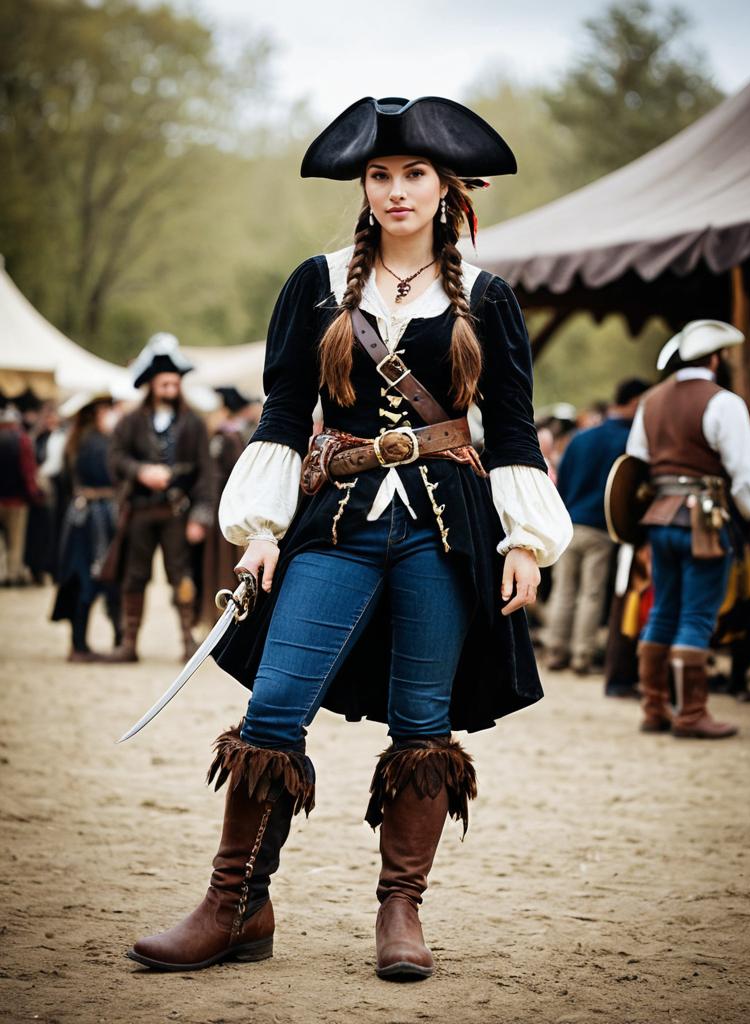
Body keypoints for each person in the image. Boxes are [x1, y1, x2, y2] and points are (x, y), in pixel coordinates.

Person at [126, 95, 572, 979]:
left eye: (415, 175)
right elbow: (286, 411)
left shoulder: (485, 294)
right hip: (334, 522)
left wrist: (525, 539)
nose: (396, 190)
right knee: (274, 707)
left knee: (424, 724)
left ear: (448, 188)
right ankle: (236, 905)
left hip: (446, 532)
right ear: (362, 186)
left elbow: (512, 428)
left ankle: (400, 912)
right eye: (380, 175)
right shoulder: (317, 282)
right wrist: (258, 531)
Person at [628, 320, 750, 738]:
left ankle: (655, 708)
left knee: (664, 610)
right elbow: (744, 471)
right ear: (716, 357)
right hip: (704, 523)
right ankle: (691, 714)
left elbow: (635, 464)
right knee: (696, 615)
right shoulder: (723, 402)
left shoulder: (649, 401)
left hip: (659, 519)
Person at [108, 334, 214, 662]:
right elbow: (115, 457)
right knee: (134, 575)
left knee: (181, 574)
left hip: (176, 511)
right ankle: (129, 644)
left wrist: (201, 515)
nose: (169, 389)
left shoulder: (194, 423)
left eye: (174, 383)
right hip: (139, 511)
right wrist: (140, 472)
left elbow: (206, 472)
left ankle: (187, 642)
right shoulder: (130, 421)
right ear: (152, 385)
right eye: (164, 384)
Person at [545, 379, 649, 674]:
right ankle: (581, 655)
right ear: (635, 401)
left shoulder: (580, 437)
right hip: (602, 528)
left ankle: (555, 650)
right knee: (591, 594)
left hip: (569, 523)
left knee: (563, 591)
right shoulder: (630, 441)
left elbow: (561, 479)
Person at [50, 393, 122, 661]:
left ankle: (82, 643)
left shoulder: (78, 440)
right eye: (108, 410)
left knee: (88, 578)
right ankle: (81, 645)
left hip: (85, 516)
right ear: (98, 413)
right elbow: (110, 476)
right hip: (93, 520)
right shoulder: (96, 442)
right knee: (89, 578)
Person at [199, 386, 253, 627]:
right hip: (230, 506)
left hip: (227, 508)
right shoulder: (232, 436)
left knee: (222, 562)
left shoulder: (227, 437)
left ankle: (222, 616)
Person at [0, 403, 41, 585]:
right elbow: (28, 470)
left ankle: (2, 573)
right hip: (16, 500)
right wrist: (33, 493)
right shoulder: (21, 439)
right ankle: (13, 574)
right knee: (16, 540)